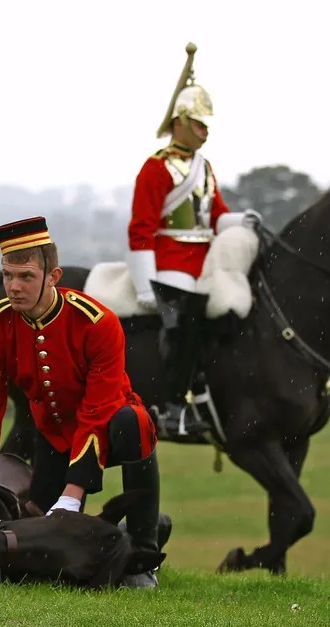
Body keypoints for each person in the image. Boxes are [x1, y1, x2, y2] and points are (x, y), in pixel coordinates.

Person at [0, 215, 162, 588]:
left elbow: (97, 410)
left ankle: (144, 554)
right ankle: (127, 529)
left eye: (26, 277)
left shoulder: (97, 323)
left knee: (134, 423)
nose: (13, 287)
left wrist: (74, 493)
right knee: (41, 557)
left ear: (53, 276)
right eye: (7, 275)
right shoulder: (0, 322)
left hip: (110, 428)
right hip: (53, 436)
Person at [126, 50, 259, 439]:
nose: (206, 131)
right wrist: (144, 282)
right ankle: (171, 407)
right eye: (200, 124)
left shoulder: (204, 168)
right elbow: (141, 228)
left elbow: (216, 215)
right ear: (180, 122)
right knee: (182, 326)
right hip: (169, 264)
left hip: (204, 263)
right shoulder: (156, 168)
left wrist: (244, 222)